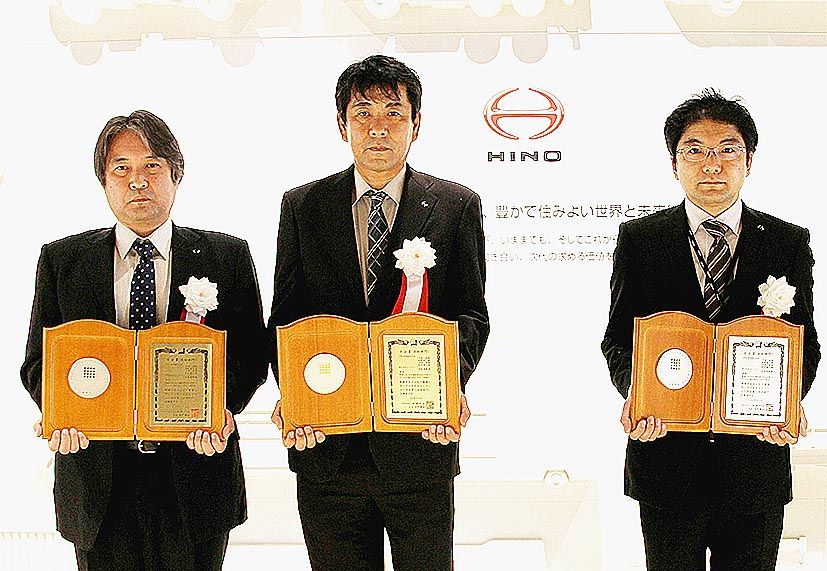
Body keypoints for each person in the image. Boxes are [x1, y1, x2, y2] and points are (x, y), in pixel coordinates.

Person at [20, 110, 269, 570]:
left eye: (152, 165)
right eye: (122, 168)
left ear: (176, 175)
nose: (138, 181)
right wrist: (61, 410)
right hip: (97, 480)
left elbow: (252, 355)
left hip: (194, 473)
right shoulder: (62, 260)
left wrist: (218, 410)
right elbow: (38, 363)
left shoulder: (226, 255)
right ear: (103, 180)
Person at [268, 54, 488, 570]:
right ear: (341, 125)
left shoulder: (456, 205)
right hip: (327, 446)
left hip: (419, 444)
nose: (378, 128)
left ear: (417, 124)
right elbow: (285, 320)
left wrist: (447, 386)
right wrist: (297, 398)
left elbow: (471, 314)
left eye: (394, 113)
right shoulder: (302, 206)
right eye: (363, 113)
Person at [600, 89, 821, 570]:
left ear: (749, 161)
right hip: (665, 458)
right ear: (673, 164)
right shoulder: (641, 239)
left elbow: (806, 344)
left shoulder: (786, 240)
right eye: (695, 150)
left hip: (755, 460)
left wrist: (788, 402)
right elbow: (617, 339)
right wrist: (638, 392)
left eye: (727, 150)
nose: (712, 164)